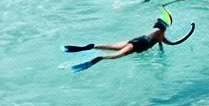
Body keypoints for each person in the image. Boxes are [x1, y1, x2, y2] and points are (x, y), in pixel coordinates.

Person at [65, 17, 194, 70]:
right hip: (138, 46)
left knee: (111, 46)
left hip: (134, 40)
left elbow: (160, 42)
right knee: (116, 55)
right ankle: (100, 57)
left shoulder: (155, 32)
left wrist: (189, 32)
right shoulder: (161, 35)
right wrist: (189, 33)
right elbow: (173, 43)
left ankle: (92, 46)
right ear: (164, 28)